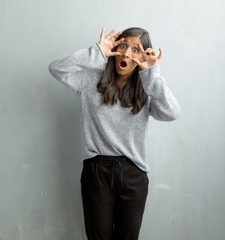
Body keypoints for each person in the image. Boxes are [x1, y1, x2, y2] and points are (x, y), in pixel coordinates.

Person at [48, 27, 180, 240]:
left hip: (133, 174)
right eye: (123, 45)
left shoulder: (146, 88)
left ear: (143, 56)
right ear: (115, 48)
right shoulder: (91, 80)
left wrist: (152, 73)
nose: (127, 53)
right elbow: (56, 68)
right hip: (97, 171)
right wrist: (96, 52)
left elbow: (172, 113)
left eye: (135, 50)